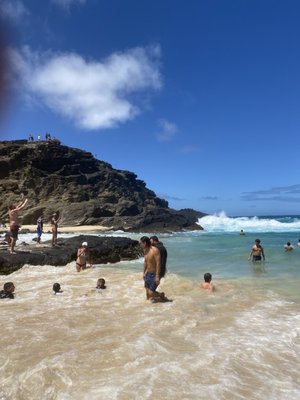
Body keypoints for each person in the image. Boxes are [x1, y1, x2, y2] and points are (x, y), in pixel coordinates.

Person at [140, 236, 171, 302]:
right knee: (147, 293)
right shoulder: (145, 251)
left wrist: (157, 276)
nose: (140, 245)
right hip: (148, 273)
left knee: (151, 293)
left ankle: (161, 295)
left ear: (145, 243)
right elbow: (146, 262)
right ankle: (148, 307)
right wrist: (144, 273)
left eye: (141, 243)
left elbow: (158, 263)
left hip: (154, 274)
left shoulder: (155, 250)